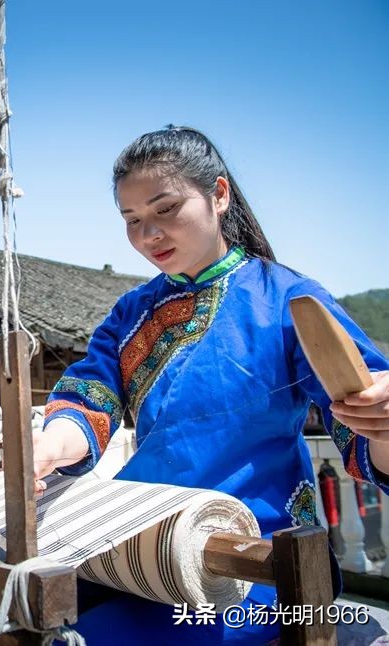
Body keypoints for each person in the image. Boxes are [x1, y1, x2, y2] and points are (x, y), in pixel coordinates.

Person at [32, 126, 389, 644]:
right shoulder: (131, 314)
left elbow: (360, 418)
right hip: (142, 541)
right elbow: (91, 395)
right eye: (131, 220)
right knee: (24, 612)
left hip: (255, 561)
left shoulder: (287, 298)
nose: (147, 234)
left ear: (218, 195)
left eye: (164, 209)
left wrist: (381, 419)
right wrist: (51, 443)